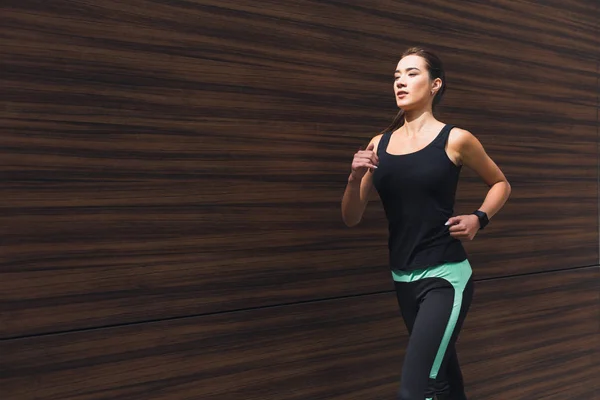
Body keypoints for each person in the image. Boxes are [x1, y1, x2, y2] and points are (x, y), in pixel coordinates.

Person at [341, 47, 511, 400]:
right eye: (396, 76)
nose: (401, 81)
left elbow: (501, 183)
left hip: (446, 277)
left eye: (411, 73)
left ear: (435, 84)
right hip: (402, 277)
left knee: (417, 389)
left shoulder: (456, 139)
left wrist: (479, 218)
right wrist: (353, 178)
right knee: (444, 375)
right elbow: (351, 217)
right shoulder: (379, 144)